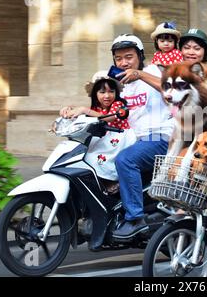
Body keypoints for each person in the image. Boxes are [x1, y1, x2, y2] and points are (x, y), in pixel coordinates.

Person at [109, 34, 175, 238]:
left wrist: (140, 75)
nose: (123, 62)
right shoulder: (123, 83)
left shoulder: (154, 71)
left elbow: (171, 91)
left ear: (140, 55)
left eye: (128, 56)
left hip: (161, 137)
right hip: (136, 140)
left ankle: (135, 218)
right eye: (119, 58)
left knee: (126, 160)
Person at [59, 74, 136, 192]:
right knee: (82, 156)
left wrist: (85, 110)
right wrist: (69, 109)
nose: (107, 96)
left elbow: (109, 118)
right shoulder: (96, 108)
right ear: (95, 93)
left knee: (93, 158)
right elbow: (84, 113)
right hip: (103, 138)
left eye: (111, 91)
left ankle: (112, 181)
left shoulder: (118, 104)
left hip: (118, 138)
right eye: (102, 92)